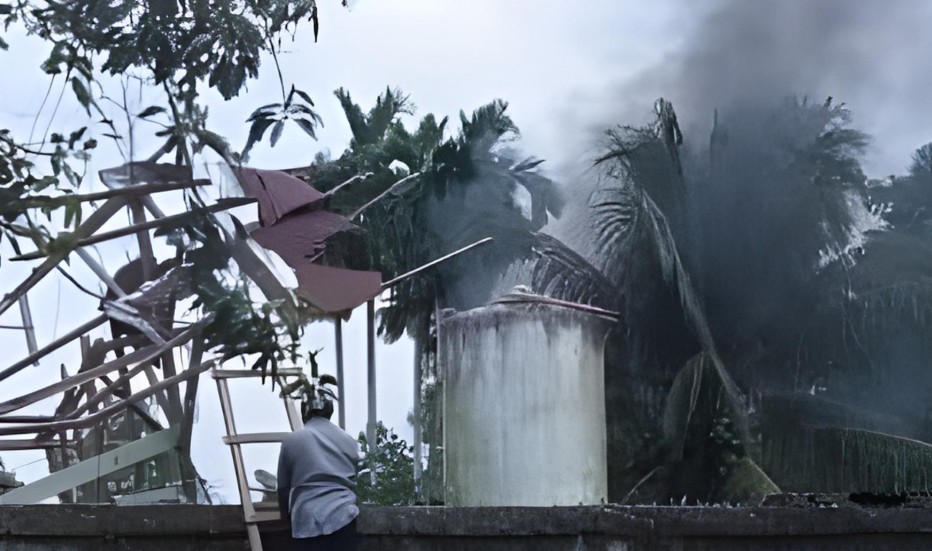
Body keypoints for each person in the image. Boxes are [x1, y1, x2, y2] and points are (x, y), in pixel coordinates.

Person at [277, 379, 360, 550]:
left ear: (304, 412)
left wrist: (285, 520)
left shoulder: (292, 440)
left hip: (307, 520)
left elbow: (283, 490)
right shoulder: (350, 442)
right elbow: (356, 482)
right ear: (330, 411)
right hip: (344, 516)